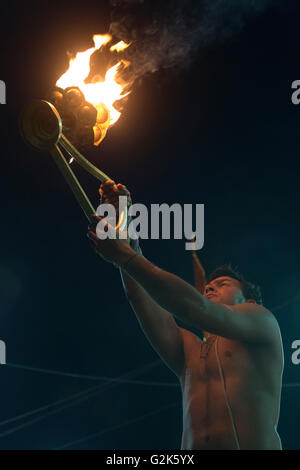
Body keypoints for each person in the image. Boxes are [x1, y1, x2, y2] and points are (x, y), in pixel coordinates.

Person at [87, 180, 284, 450]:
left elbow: (195, 308)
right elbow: (139, 296)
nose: (210, 286)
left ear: (248, 300)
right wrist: (121, 216)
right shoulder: (193, 350)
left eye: (223, 284)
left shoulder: (263, 321)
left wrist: (126, 256)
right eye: (208, 286)